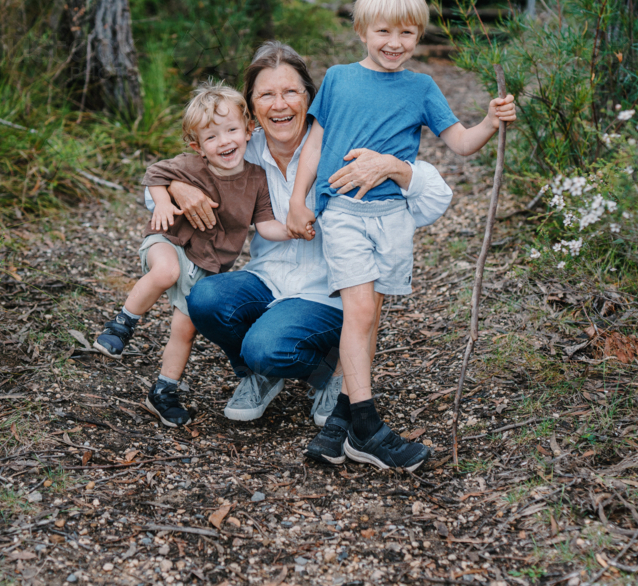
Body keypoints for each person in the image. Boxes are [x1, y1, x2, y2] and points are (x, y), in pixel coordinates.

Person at [158, 41, 451, 436]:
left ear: (311, 98)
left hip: (327, 294)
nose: (280, 105)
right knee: (205, 300)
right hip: (267, 277)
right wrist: (177, 187)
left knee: (268, 346)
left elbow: (436, 198)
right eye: (266, 95)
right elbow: (170, 175)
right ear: (251, 107)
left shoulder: (340, 144)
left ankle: (335, 371)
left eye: (291, 92)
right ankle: (259, 375)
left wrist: (396, 168)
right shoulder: (242, 149)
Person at [285, 0, 517, 470]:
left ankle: (340, 423)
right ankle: (368, 427)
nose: (395, 44)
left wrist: (491, 122)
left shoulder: (422, 87)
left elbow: (460, 143)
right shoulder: (340, 79)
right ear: (362, 30)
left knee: (370, 317)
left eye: (407, 34)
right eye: (384, 32)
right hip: (344, 210)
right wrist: (298, 200)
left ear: (419, 35)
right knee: (361, 312)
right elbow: (316, 144)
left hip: (392, 217)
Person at [93, 83, 289, 428]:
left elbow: (266, 224)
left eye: (231, 130)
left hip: (207, 265)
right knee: (166, 271)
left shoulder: (256, 178)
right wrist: (166, 202)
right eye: (211, 137)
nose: (224, 141)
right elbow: (154, 174)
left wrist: (294, 230)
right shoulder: (189, 165)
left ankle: (163, 392)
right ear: (197, 145)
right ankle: (122, 324)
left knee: (185, 328)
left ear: (249, 130)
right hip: (169, 240)